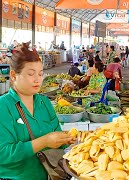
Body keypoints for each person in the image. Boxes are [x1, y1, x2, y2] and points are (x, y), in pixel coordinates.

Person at [0, 43, 75, 179]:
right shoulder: (3, 106)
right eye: (30, 74)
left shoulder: (44, 102)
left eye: (40, 74)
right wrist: (44, 141)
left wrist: (69, 138)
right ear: (13, 75)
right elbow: (3, 154)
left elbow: (57, 137)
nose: (37, 80)